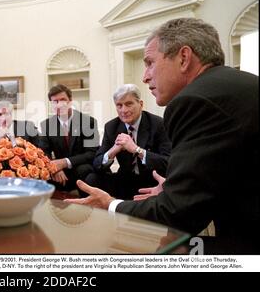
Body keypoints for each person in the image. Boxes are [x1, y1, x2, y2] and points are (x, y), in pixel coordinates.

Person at [66, 18, 259, 253]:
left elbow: (177, 212)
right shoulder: (237, 85)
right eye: (119, 105)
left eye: (150, 63)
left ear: (184, 58)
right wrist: (175, 189)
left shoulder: (192, 101)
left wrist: (110, 204)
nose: (145, 76)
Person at [86, 84, 171, 200]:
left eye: (129, 104)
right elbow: (97, 164)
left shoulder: (158, 124)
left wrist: (136, 150)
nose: (123, 110)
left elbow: (167, 162)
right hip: (125, 179)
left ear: (140, 104)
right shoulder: (111, 127)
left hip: (151, 180)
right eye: (119, 105)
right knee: (92, 178)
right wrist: (113, 150)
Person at [39, 84, 99, 196]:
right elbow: (43, 153)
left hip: (81, 169)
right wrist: (55, 168)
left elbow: (92, 153)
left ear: (70, 101)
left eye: (63, 100)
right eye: (55, 101)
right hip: (60, 173)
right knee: (40, 174)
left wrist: (64, 162)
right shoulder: (46, 125)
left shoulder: (88, 122)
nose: (60, 104)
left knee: (84, 170)